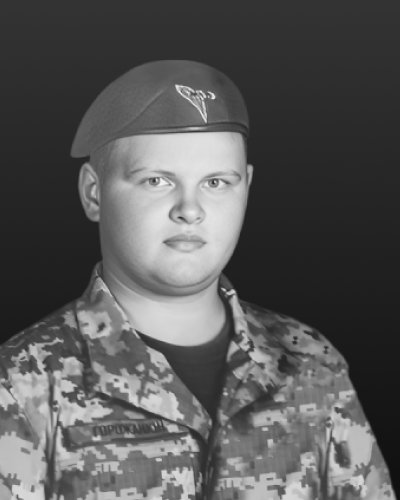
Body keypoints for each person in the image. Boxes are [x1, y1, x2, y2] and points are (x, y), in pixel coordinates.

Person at [0, 60, 395, 500]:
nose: (190, 209)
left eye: (216, 182)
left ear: (246, 187)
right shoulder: (22, 384)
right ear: (94, 192)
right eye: (156, 180)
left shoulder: (310, 365)